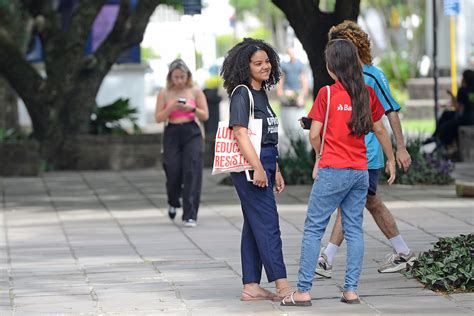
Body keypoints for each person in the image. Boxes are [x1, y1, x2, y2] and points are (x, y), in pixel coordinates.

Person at [282, 39, 396, 307]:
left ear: (332, 67)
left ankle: (303, 291)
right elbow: (381, 130)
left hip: (333, 170)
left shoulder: (327, 94)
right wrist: (390, 158)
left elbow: (313, 134)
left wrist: (320, 157)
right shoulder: (366, 94)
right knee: (355, 229)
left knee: (313, 229)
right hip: (360, 172)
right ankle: (351, 291)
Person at [314, 20, 415, 277]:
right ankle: (402, 251)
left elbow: (389, 113)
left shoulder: (371, 76)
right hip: (351, 154)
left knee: (353, 203)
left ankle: (327, 257)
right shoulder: (341, 81)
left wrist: (399, 149)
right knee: (366, 202)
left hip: (367, 154)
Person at [220, 38, 294, 301]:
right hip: (251, 166)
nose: (265, 66)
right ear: (245, 65)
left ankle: (251, 285)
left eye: (267, 61)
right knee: (268, 223)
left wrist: (276, 168)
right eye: (258, 63)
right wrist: (259, 167)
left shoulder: (260, 92)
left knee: (254, 224)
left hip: (265, 161)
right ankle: (283, 286)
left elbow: (267, 134)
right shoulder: (242, 93)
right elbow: (240, 133)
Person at [155, 59, 209, 227]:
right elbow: (158, 118)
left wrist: (191, 109)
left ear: (188, 76)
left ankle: (190, 214)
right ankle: (173, 200)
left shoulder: (195, 91)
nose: (179, 81)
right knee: (173, 170)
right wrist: (171, 108)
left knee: (192, 171)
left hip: (191, 132)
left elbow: (205, 115)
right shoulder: (164, 93)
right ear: (170, 77)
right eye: (176, 77)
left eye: (182, 77)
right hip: (172, 132)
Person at [277, 47, 309, 141]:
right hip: (288, 91)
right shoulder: (284, 65)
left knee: (298, 114)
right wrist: (280, 91)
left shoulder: (300, 64)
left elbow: (304, 79)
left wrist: (303, 94)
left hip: (297, 91)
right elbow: (281, 78)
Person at [436, 69, 474, 148]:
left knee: (444, 128)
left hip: (466, 119)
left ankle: (446, 145)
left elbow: (457, 108)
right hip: (470, 118)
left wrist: (452, 95)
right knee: (447, 114)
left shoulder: (462, 90)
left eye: (462, 77)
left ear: (465, 79)